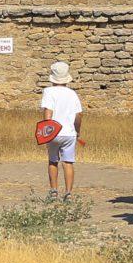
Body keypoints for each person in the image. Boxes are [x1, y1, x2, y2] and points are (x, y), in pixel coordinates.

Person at [38, 60, 83, 199]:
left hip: (54, 132)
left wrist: (46, 130)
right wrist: (77, 131)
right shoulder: (72, 94)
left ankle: (54, 191)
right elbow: (79, 115)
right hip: (69, 133)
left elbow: (48, 112)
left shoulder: (49, 91)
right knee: (68, 162)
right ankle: (68, 193)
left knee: (53, 161)